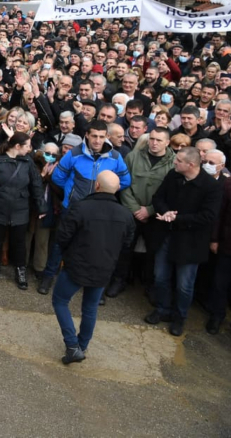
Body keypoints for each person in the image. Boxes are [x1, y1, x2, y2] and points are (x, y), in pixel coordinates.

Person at [51, 170, 135, 364]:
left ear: (96, 185)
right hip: (104, 268)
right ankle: (81, 345)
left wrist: (68, 255)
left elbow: (62, 237)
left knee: (60, 301)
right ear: (117, 189)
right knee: (90, 308)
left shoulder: (80, 208)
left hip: (76, 266)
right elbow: (127, 243)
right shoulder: (125, 214)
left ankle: (73, 346)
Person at [39, 120, 130, 294]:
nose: (97, 140)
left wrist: (108, 189)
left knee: (96, 247)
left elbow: (125, 181)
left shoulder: (115, 157)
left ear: (107, 137)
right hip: (73, 208)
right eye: (94, 136)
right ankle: (49, 276)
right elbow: (58, 177)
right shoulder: (73, 154)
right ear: (86, 135)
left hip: (100, 212)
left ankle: (95, 287)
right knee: (60, 244)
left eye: (101, 137)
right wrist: (72, 192)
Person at [144, 147, 222, 336]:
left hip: (191, 242)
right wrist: (166, 212)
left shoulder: (212, 186)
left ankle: (180, 317)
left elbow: (207, 216)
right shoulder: (173, 175)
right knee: (160, 276)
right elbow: (158, 198)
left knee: (184, 285)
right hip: (167, 235)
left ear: (191, 165)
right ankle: (162, 309)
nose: (174, 162)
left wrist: (176, 218)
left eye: (178, 160)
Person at [108, 127, 174, 298]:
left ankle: (150, 285)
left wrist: (150, 210)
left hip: (157, 215)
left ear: (167, 142)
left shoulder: (173, 162)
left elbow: (172, 193)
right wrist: (136, 209)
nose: (154, 142)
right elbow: (124, 183)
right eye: (152, 138)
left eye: (159, 140)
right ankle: (119, 280)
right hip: (131, 212)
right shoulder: (133, 156)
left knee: (153, 251)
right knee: (125, 248)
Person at [0, 131, 45, 290]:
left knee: (19, 241)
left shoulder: (27, 162)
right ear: (17, 146)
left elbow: (36, 185)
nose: (30, 149)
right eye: (27, 146)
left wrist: (41, 206)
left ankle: (20, 269)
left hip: (20, 207)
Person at [207, 172, 231, 338]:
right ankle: (217, 316)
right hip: (228, 246)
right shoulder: (230, 184)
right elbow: (219, 215)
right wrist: (214, 239)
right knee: (220, 285)